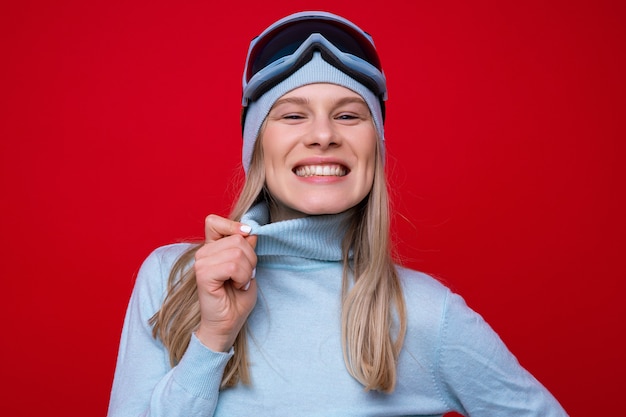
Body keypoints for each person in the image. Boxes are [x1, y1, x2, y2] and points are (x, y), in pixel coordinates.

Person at [107, 11, 568, 417]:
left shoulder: (427, 315)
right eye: (292, 116)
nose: (323, 135)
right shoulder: (174, 280)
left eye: (349, 115)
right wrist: (212, 337)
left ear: (376, 147)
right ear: (258, 148)